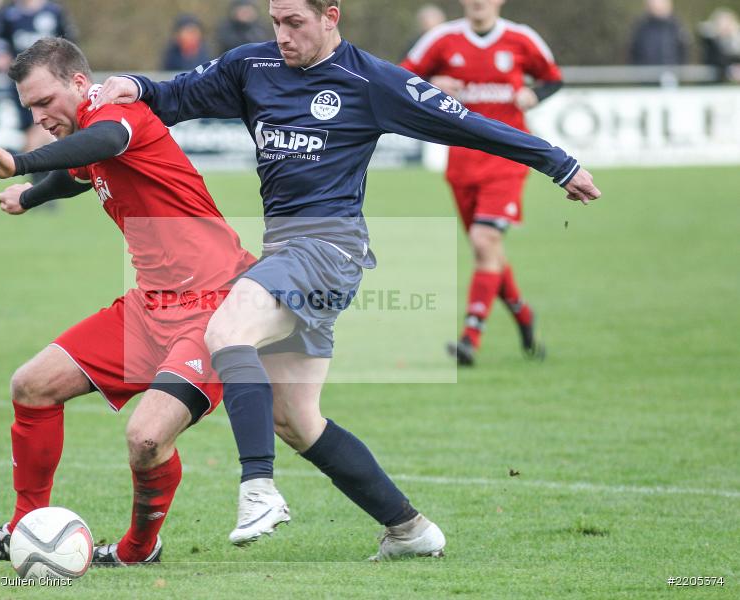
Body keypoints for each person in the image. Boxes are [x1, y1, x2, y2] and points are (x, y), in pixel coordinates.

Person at [91, 0, 600, 560]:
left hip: (329, 248)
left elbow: (467, 124)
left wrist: (558, 163)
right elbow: (177, 96)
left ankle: (258, 488)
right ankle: (410, 530)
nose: (282, 35)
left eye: (296, 23)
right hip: (288, 252)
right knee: (295, 419)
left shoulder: (369, 81)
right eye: (276, 22)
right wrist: (133, 86)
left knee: (227, 327)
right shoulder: (250, 67)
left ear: (331, 16)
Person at [0, 37, 257, 567]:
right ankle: (22, 528)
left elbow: (103, 142)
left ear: (79, 83)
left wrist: (20, 163)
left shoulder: (117, 114)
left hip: (214, 307)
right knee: (32, 386)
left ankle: (138, 549)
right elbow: (80, 173)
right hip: (148, 307)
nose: (41, 116)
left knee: (146, 438)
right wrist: (32, 195)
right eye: (30, 109)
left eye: (46, 102)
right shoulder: (91, 136)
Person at [400, 0, 564, 366]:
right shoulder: (441, 39)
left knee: (484, 239)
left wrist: (534, 94)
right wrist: (431, 83)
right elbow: (397, 78)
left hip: (508, 160)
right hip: (462, 161)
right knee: (486, 251)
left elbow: (554, 78)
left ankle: (470, 338)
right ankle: (523, 314)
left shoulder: (521, 39)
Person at [0, 0, 78, 187]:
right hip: (20, 86)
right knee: (31, 132)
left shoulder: (53, 11)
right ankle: (41, 181)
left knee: (41, 128)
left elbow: (69, 42)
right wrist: (0, 56)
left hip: (49, 83)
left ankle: (44, 182)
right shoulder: (10, 14)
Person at [629, 0, 689, 66]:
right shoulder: (640, 26)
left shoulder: (676, 26)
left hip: (670, 72)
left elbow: (684, 51)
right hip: (645, 72)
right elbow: (633, 51)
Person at [699, 8, 740, 83]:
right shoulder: (711, 42)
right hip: (714, 83)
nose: (725, 27)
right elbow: (717, 59)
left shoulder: (735, 41)